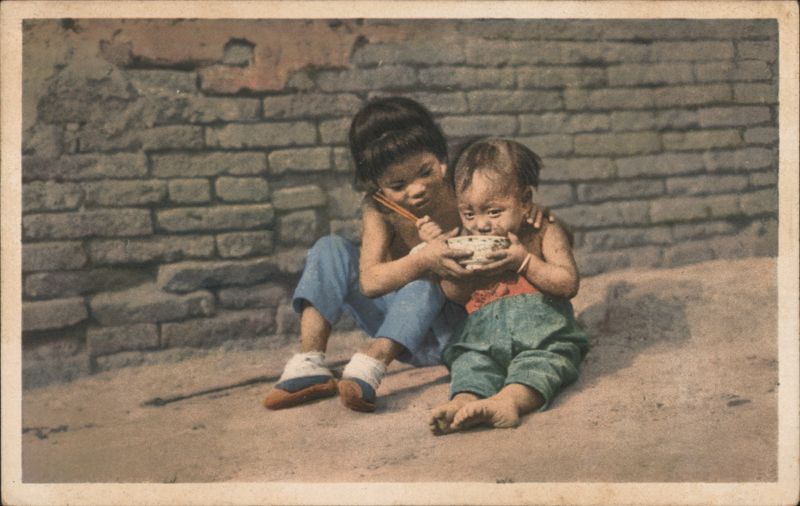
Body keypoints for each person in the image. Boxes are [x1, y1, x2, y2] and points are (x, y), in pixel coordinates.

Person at [264, 97, 498, 412]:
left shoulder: (462, 187)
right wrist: (422, 258)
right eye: (398, 185)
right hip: (400, 328)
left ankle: (372, 362)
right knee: (330, 247)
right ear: (376, 184)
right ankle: (310, 363)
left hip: (453, 335)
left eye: (425, 172)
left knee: (427, 277)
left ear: (441, 158)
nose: (416, 189)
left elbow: (509, 211)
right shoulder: (379, 208)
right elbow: (371, 282)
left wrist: (538, 218)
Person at [429, 138, 589, 434]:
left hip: (542, 337)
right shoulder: (465, 238)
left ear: (525, 201)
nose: (480, 225)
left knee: (542, 364)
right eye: (468, 213)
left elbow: (568, 283)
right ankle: (463, 401)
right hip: (483, 340)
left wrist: (524, 261)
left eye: (493, 212)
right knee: (470, 363)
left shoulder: (543, 231)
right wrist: (458, 273)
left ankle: (509, 401)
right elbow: (455, 296)